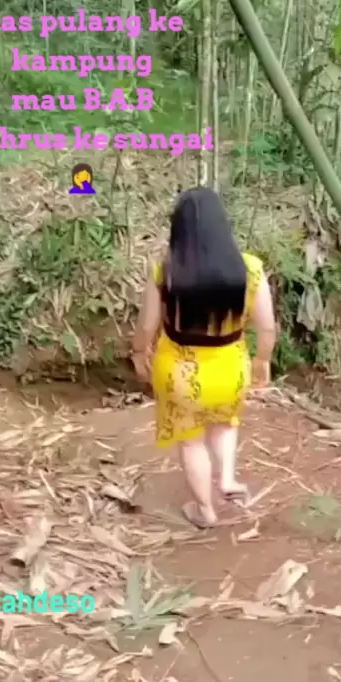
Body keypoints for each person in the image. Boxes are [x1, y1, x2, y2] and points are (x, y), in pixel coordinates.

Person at [131, 186, 276, 528]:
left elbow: (148, 326)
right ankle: (226, 480)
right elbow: (267, 327)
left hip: (179, 372)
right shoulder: (250, 269)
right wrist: (262, 360)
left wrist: (138, 353)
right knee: (225, 422)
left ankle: (205, 511)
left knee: (191, 440)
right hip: (231, 368)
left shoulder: (165, 272)